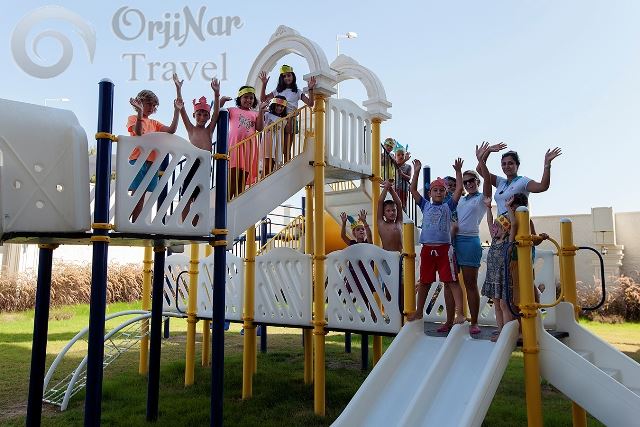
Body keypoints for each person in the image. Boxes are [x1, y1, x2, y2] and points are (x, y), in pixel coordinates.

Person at [407, 158, 466, 330]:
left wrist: (458, 171)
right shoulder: (425, 205)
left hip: (444, 249)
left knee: (452, 281)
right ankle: (419, 311)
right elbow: (412, 190)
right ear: (430, 193)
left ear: (446, 193)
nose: (438, 193)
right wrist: (416, 171)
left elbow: (459, 189)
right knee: (424, 282)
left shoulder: (448, 206)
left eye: (441, 190)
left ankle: (460, 313)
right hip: (427, 248)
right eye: (435, 190)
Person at [173, 74, 229, 223]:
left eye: (205, 115)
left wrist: (216, 93)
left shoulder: (209, 130)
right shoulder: (191, 129)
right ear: (194, 115)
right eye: (199, 114)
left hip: (204, 166)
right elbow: (181, 108)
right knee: (186, 196)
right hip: (191, 164)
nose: (202, 117)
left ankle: (195, 227)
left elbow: (216, 114)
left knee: (198, 199)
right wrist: (178, 89)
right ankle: (184, 225)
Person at [127, 85, 180, 222]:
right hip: (138, 159)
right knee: (136, 194)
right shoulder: (133, 118)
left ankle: (134, 225)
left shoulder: (154, 123)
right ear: (140, 103)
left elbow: (171, 130)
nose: (151, 107)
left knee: (142, 195)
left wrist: (177, 111)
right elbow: (138, 132)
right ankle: (125, 221)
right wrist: (140, 113)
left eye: (154, 105)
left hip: (151, 162)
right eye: (148, 104)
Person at [448, 165, 487, 335]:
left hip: (470, 241)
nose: (469, 184)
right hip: (454, 241)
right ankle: (451, 319)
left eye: (472, 180)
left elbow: (487, 182)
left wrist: (482, 160)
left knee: (470, 284)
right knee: (450, 283)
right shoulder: (461, 199)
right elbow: (457, 190)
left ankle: (475, 321)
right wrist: (458, 172)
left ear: (478, 181)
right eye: (465, 182)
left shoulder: (482, 198)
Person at [477, 143, 562, 215]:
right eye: (504, 164)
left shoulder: (523, 181)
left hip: (519, 225)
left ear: (517, 165)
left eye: (510, 163)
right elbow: (480, 169)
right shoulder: (500, 182)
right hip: (502, 226)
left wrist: (547, 164)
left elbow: (543, 186)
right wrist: (487, 152)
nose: (507, 166)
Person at [259, 65, 316, 162]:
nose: (286, 78)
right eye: (284, 76)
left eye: (289, 75)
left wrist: (310, 89)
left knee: (287, 149)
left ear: (293, 76)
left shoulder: (297, 92)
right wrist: (264, 84)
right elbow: (263, 99)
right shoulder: (278, 91)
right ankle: (277, 168)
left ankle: (286, 166)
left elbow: (310, 103)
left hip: (291, 119)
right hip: (278, 120)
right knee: (276, 148)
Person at [221, 86, 266, 198]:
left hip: (248, 148)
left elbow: (260, 128)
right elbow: (217, 113)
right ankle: (227, 202)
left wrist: (261, 112)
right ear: (239, 98)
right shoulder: (232, 110)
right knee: (232, 176)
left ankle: (236, 203)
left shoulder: (255, 113)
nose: (248, 100)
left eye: (251, 98)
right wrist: (221, 101)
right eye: (245, 97)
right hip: (235, 146)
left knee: (242, 179)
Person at [261, 95, 290, 176]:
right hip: (268, 140)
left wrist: (289, 119)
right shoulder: (267, 114)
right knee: (267, 165)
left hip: (277, 142)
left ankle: (266, 181)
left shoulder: (284, 119)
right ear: (273, 105)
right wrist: (262, 110)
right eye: (277, 105)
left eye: (282, 106)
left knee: (272, 165)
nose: (279, 108)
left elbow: (288, 131)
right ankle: (263, 182)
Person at [377, 180, 403, 252]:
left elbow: (399, 203)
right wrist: (386, 188)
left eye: (393, 210)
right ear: (383, 213)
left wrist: (391, 189)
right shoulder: (381, 224)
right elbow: (380, 202)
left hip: (400, 256)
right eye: (388, 211)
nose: (392, 213)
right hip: (387, 256)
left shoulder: (399, 223)